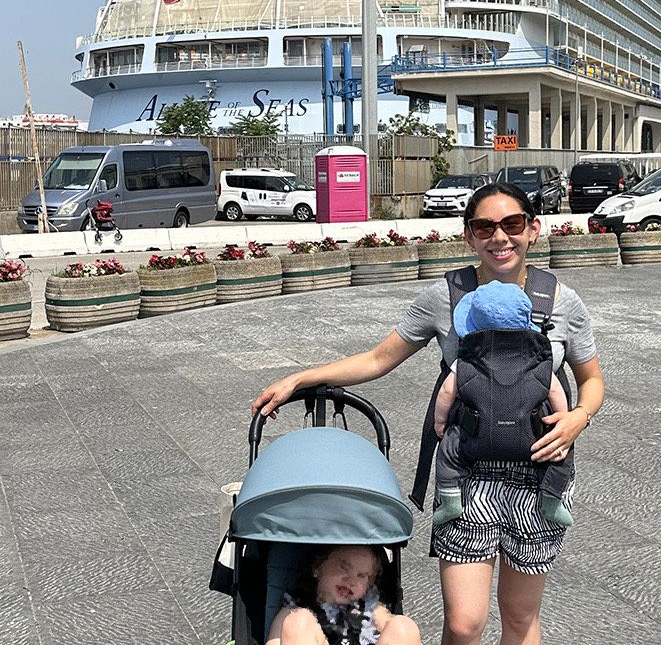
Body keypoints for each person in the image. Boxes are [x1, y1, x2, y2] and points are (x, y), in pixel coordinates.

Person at [253, 182, 605, 645]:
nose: (500, 237)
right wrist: (301, 379)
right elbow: (379, 358)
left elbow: (591, 379)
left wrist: (579, 417)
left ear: (533, 229)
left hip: (541, 473)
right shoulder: (447, 296)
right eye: (485, 227)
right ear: (469, 236)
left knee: (520, 618)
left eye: (513, 224)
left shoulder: (561, 301)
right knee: (464, 623)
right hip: (466, 474)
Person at [432, 280, 575, 527]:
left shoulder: (467, 361)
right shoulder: (537, 361)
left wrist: (440, 422)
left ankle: (451, 499)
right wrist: (563, 420)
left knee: (448, 451)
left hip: (474, 439)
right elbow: (555, 390)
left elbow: (446, 392)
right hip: (533, 440)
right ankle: (551, 500)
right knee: (560, 451)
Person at [268, 544, 421, 645]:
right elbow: (274, 641)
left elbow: (398, 634)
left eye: (361, 575)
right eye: (343, 567)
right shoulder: (296, 606)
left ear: (368, 586)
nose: (351, 580)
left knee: (404, 626)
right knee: (297, 622)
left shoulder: (371, 608)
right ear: (317, 567)